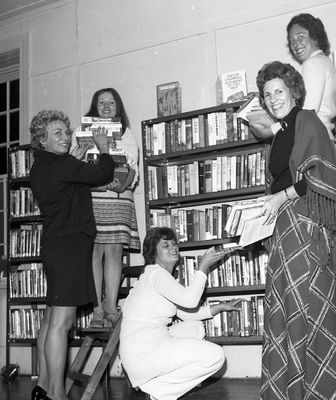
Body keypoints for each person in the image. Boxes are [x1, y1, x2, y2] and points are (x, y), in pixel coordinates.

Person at [254, 62, 336, 400]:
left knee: (311, 310)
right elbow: (279, 181)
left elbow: (320, 179)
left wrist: (281, 197)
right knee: (287, 310)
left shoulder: (309, 121)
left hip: (307, 229)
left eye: (278, 91)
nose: (273, 98)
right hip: (283, 232)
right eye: (267, 94)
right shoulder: (276, 135)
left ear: (292, 91)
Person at [29, 110, 115, 400]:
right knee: (62, 323)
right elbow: (101, 173)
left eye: (66, 132)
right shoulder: (61, 164)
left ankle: (42, 387)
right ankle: (55, 394)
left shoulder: (42, 165)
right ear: (42, 140)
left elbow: (67, 184)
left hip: (57, 246)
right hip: (68, 247)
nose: (65, 137)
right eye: (57, 133)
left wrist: (74, 158)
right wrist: (104, 149)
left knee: (52, 319)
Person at [119, 227, 242, 400]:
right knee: (216, 356)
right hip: (142, 350)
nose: (173, 247)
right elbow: (190, 301)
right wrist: (203, 266)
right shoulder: (155, 274)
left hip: (143, 346)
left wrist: (221, 307)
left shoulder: (160, 276)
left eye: (174, 243)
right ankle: (160, 392)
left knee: (196, 328)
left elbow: (187, 314)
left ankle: (156, 389)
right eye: (166, 245)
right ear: (153, 252)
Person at [71, 88, 140, 328]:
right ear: (94, 106)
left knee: (113, 252)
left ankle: (111, 306)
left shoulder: (126, 133)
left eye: (111, 102)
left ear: (118, 106)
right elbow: (73, 163)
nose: (107, 106)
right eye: (101, 102)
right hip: (92, 199)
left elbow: (132, 165)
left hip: (117, 197)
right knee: (93, 252)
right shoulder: (81, 132)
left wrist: (119, 181)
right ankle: (96, 310)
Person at [250, 13, 336, 141]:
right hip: (319, 138)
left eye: (301, 36)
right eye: (291, 39)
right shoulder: (323, 61)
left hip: (313, 140)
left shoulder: (313, 64)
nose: (295, 43)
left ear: (315, 37)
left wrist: (268, 131)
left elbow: (306, 114)